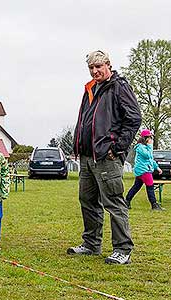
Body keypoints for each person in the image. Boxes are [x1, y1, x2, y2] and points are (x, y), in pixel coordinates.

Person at [68, 50, 142, 264]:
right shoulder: (90, 88)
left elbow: (134, 118)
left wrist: (118, 148)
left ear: (108, 65)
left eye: (98, 66)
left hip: (107, 157)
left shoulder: (119, 86)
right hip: (87, 156)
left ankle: (123, 249)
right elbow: (85, 120)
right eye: (91, 67)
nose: (94, 71)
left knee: (114, 202)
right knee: (88, 200)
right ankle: (91, 244)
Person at [125, 130, 163, 211]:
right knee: (150, 186)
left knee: (136, 187)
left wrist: (157, 167)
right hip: (143, 170)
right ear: (145, 138)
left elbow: (150, 159)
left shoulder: (145, 147)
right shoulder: (140, 147)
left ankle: (127, 201)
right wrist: (150, 146)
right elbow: (147, 155)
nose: (151, 139)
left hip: (143, 170)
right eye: (150, 137)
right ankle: (154, 205)